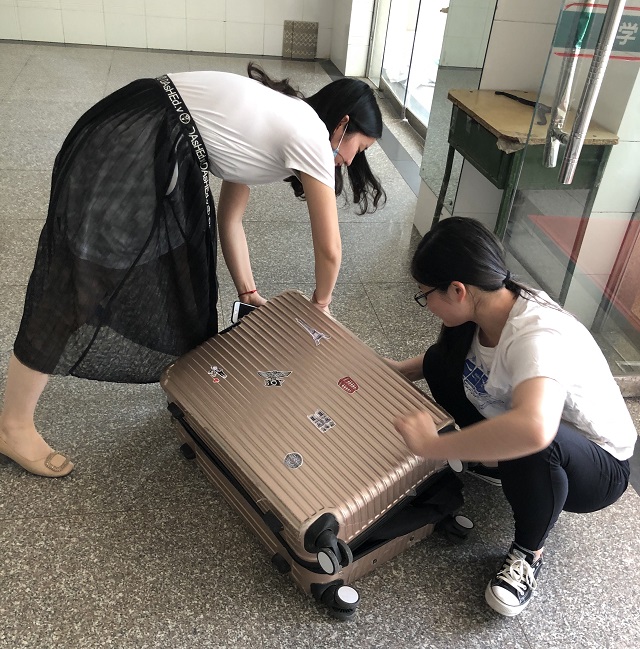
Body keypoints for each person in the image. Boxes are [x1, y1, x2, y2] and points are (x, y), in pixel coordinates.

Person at [0, 63, 385, 478]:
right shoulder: (310, 135)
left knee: (180, 275)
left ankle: (193, 395)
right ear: (342, 124)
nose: (350, 160)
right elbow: (330, 249)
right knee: (83, 281)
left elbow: (230, 220)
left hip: (146, 125)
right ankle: (13, 426)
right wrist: (321, 306)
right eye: (358, 148)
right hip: (141, 138)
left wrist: (248, 291)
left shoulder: (286, 113)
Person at [391, 217, 636, 617]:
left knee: (533, 439)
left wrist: (433, 445)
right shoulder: (490, 302)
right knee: (439, 362)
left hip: (598, 468)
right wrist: (397, 371)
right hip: (542, 435)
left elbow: (535, 429)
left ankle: (528, 553)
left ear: (458, 290)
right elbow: (447, 360)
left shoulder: (537, 335)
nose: (426, 303)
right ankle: (497, 464)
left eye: (425, 294)